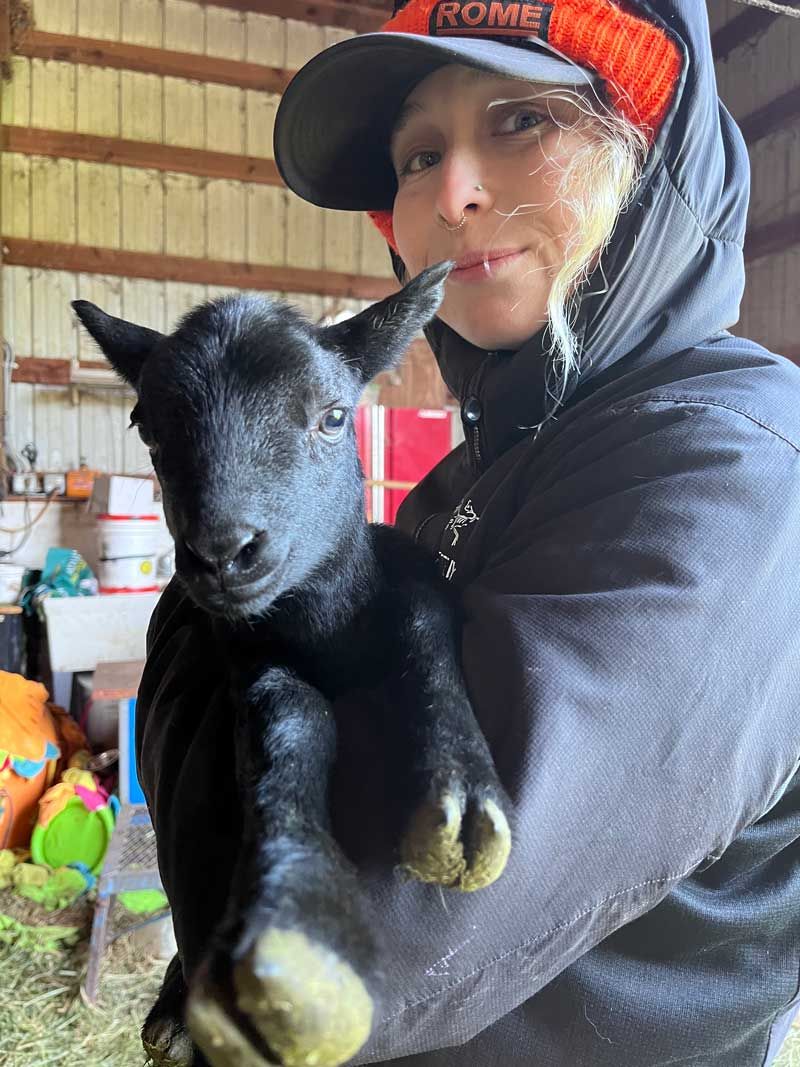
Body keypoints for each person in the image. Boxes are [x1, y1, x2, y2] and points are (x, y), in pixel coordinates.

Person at [138, 1, 800, 1064]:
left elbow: (340, 946)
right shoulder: (476, 471)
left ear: (652, 158)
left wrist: (206, 579)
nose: (449, 193)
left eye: (523, 120)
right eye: (416, 153)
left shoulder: (733, 470)